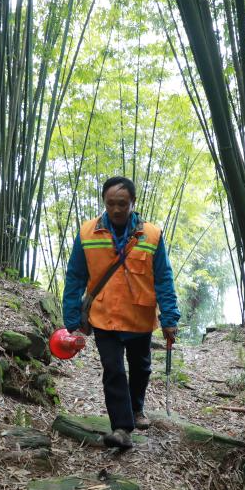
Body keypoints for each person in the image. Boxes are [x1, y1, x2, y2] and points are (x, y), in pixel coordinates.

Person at [62, 176, 181, 450]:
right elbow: (75, 276)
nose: (116, 209)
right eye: (111, 203)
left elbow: (163, 278)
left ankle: (137, 408)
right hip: (104, 315)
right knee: (113, 369)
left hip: (139, 317)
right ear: (104, 202)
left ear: (133, 202)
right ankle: (121, 427)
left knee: (140, 368)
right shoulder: (87, 232)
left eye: (122, 204)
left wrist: (169, 318)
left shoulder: (151, 234)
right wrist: (72, 316)